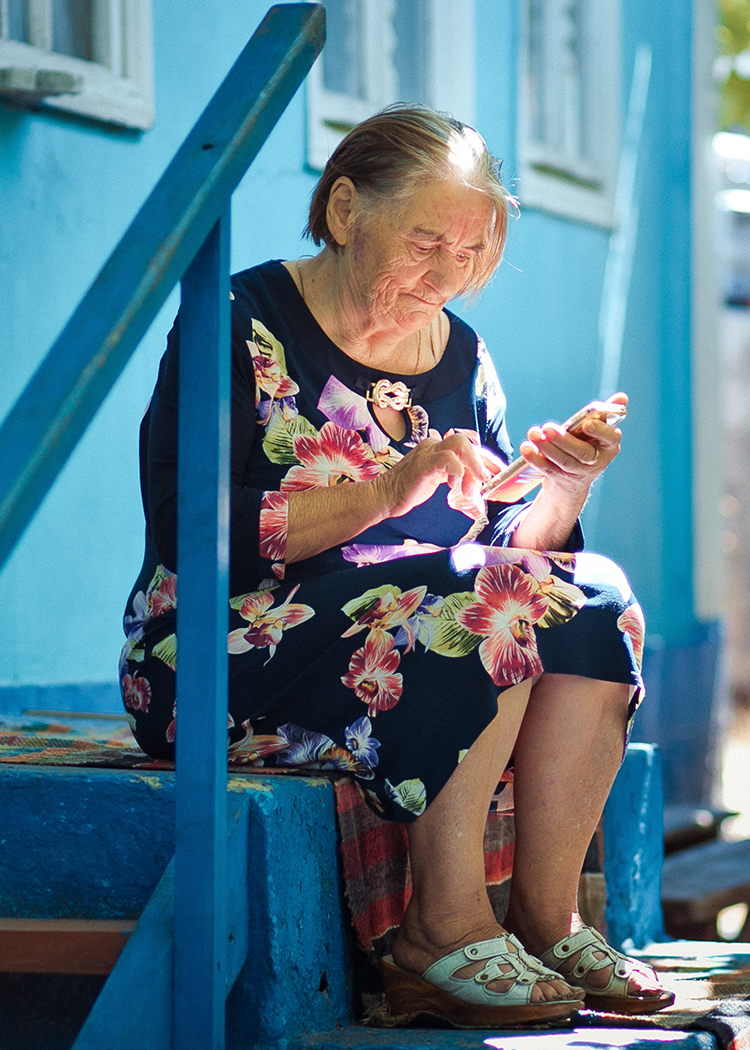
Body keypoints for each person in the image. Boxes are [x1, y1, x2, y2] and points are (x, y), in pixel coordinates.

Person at [120, 105, 673, 1028]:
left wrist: (563, 488)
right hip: (222, 652)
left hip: (411, 635)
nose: (448, 275)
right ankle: (440, 927)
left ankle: (547, 919)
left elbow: (510, 557)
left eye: (472, 252)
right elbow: (191, 533)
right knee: (478, 598)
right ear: (345, 210)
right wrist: (385, 490)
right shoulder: (236, 325)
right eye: (425, 243)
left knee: (602, 600)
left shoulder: (463, 355)